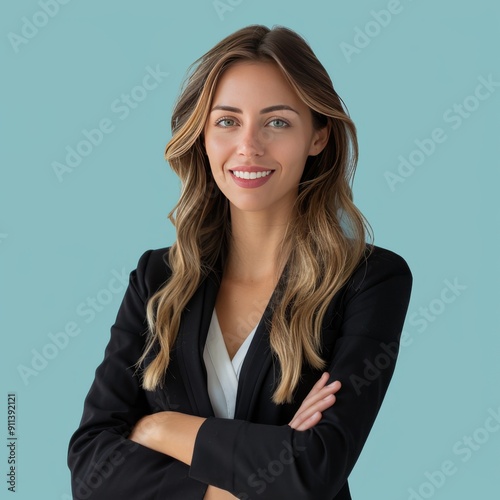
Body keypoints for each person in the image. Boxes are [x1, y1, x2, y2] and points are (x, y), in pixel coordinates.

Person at [68, 24, 413, 499]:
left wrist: (160, 428)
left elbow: (314, 469)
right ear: (203, 136)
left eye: (277, 122)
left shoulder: (370, 281)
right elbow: (90, 469)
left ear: (318, 136)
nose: (249, 146)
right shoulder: (156, 278)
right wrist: (240, 485)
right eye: (227, 121)